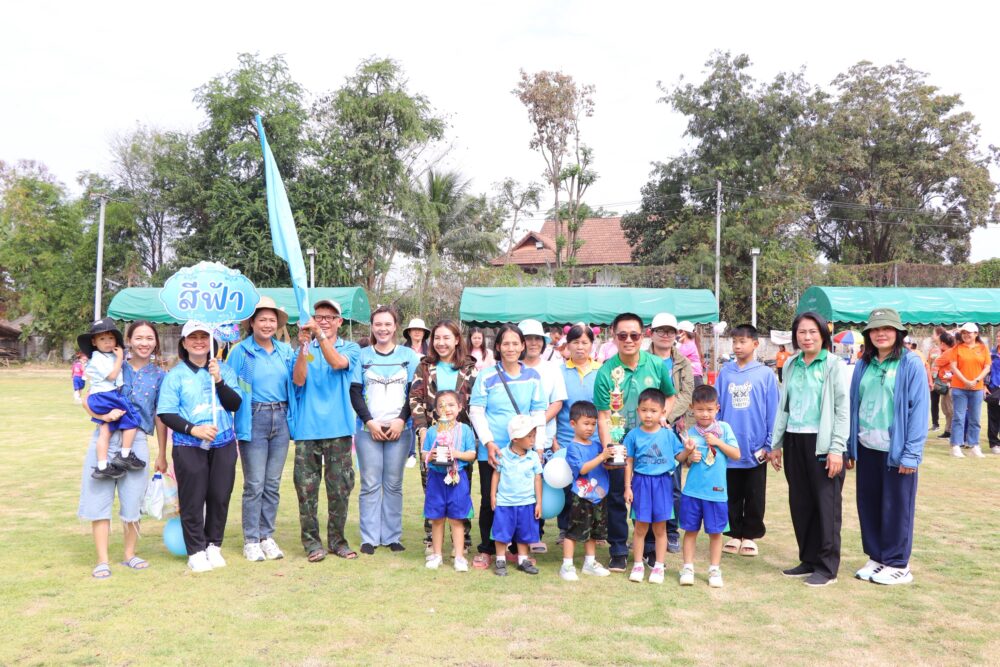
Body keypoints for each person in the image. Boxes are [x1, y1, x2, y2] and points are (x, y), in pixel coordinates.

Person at [847, 308, 929, 586]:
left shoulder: (910, 363)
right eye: (875, 329)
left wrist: (911, 454)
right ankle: (877, 557)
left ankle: (898, 563)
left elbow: (918, 410)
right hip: (867, 445)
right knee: (869, 504)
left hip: (896, 450)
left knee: (896, 507)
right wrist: (850, 446)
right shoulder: (864, 363)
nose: (881, 333)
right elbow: (854, 404)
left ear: (898, 333)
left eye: (887, 328)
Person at [78, 321, 167, 578]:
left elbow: (160, 415)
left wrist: (162, 453)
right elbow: (87, 398)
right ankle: (102, 560)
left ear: (156, 342)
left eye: (149, 338)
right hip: (106, 437)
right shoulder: (113, 364)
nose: (144, 343)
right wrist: (102, 417)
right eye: (138, 337)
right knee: (99, 498)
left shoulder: (160, 375)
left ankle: (130, 554)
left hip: (136, 440)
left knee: (133, 500)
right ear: (128, 340)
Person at [770, 311, 850, 587]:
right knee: (801, 503)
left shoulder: (833, 365)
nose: (807, 337)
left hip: (823, 442)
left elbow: (842, 409)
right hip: (794, 440)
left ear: (823, 335)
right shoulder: (791, 364)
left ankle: (827, 568)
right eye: (801, 332)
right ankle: (808, 558)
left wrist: (837, 449)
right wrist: (776, 443)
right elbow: (784, 406)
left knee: (826, 506)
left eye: (813, 332)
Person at [156, 320, 243, 572]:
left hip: (223, 443)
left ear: (211, 341)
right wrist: (193, 429)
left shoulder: (223, 370)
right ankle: (195, 550)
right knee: (193, 499)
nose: (198, 342)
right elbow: (166, 413)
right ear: (184, 343)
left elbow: (234, 404)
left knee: (219, 496)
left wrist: (219, 380)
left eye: (204, 337)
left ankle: (213, 545)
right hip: (189, 445)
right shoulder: (175, 375)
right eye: (192, 337)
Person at [593, 312, 677, 573]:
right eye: (622, 335)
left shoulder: (656, 364)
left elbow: (670, 396)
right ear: (614, 336)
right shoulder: (605, 371)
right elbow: (603, 415)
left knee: (650, 497)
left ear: (643, 336)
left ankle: (650, 549)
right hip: (620, 443)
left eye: (634, 335)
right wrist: (608, 449)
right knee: (618, 497)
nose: (628, 340)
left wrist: (662, 417)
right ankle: (618, 550)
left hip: (650, 443)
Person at [468, 323, 546, 569]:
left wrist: (538, 447)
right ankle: (488, 549)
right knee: (490, 500)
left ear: (522, 346)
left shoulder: (533, 377)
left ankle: (515, 551)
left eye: (515, 343)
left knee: (522, 500)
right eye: (506, 344)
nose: (511, 348)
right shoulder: (486, 376)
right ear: (498, 347)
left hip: (524, 452)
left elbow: (538, 413)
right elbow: (476, 411)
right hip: (493, 451)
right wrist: (489, 442)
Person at [225, 296, 295, 562]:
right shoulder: (241, 352)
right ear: (252, 323)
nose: (267, 324)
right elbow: (228, 387)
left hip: (281, 417)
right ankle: (251, 540)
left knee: (272, 483)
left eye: (272, 320)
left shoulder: (285, 351)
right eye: (262, 319)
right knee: (254, 483)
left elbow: (296, 381)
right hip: (253, 416)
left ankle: (267, 536)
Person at [292, 299, 361, 562]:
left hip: (338, 429)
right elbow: (299, 380)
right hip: (307, 430)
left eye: (329, 317)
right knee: (306, 491)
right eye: (319, 316)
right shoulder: (305, 347)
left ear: (339, 322)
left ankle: (337, 541)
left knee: (340, 490)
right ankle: (312, 543)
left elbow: (337, 363)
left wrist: (319, 335)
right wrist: (303, 347)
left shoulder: (350, 348)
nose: (323, 321)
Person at [351, 305, 421, 554]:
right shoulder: (362, 356)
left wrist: (401, 421)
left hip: (399, 430)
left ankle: (392, 536)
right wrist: (369, 422)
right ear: (372, 327)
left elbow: (415, 392)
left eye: (387, 324)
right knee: (370, 484)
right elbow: (355, 392)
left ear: (395, 327)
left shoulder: (408, 356)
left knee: (393, 484)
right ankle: (369, 538)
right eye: (378, 324)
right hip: (367, 430)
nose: (383, 329)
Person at [410, 320, 478, 548]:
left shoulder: (469, 368)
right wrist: (422, 430)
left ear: (457, 339)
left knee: (461, 487)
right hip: (432, 437)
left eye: (446, 337)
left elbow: (477, 403)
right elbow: (415, 399)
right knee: (432, 487)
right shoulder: (424, 367)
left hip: (461, 438)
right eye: (437, 338)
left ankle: (462, 539)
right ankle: (432, 538)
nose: (441, 343)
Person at [715, 324, 779, 558]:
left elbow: (773, 411)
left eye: (742, 341)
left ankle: (750, 535)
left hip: (756, 447)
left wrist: (770, 444)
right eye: (734, 342)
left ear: (755, 344)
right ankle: (734, 533)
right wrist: (716, 438)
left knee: (754, 494)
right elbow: (716, 408)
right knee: (731, 493)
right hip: (729, 446)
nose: (737, 346)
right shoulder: (725, 373)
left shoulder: (765, 375)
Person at [675, 384, 740, 588]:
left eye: (710, 409)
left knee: (715, 533)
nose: (705, 414)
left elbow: (736, 454)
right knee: (690, 531)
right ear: (692, 408)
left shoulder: (724, 429)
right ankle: (688, 567)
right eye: (700, 409)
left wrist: (718, 442)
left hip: (716, 493)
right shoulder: (689, 433)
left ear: (717, 408)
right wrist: (689, 455)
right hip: (693, 492)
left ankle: (714, 569)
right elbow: (681, 459)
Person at [647, 311, 694, 556]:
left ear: (676, 334)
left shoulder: (683, 363)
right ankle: (645, 533)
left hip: (672, 429)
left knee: (673, 483)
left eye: (670, 331)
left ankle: (672, 531)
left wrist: (666, 417)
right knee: (644, 481)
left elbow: (686, 394)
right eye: (660, 331)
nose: (665, 335)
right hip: (645, 429)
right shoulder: (642, 359)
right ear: (651, 333)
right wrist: (652, 418)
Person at [624, 388, 681, 585]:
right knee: (640, 527)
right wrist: (627, 487)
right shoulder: (633, 435)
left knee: (660, 528)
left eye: (653, 411)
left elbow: (680, 456)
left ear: (663, 412)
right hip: (641, 483)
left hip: (663, 483)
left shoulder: (669, 435)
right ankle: (638, 564)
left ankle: (658, 566)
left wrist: (689, 450)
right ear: (638, 410)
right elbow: (628, 462)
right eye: (644, 410)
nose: (648, 415)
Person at [518, 318, 565, 552]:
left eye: (538, 339)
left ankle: (536, 535)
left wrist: (536, 424)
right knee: (517, 488)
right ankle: (516, 538)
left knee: (538, 488)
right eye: (528, 338)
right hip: (515, 439)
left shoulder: (551, 368)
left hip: (542, 439)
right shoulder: (512, 367)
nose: (533, 343)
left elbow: (557, 402)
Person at [554, 324, 603, 544]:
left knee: (595, 483)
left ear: (592, 344)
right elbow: (555, 406)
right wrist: (553, 439)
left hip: (595, 441)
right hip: (566, 440)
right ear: (568, 345)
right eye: (575, 342)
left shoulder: (602, 371)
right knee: (568, 489)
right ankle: (565, 529)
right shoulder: (559, 372)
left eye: (585, 342)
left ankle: (595, 531)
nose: (580, 347)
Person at [77, 317, 143, 479]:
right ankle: (125, 455)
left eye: (111, 338)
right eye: (102, 339)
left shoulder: (108, 356)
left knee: (105, 431)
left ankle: (102, 466)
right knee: (133, 420)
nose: (107, 342)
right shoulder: (98, 358)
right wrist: (120, 357)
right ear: (94, 342)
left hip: (104, 395)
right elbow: (113, 376)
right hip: (106, 395)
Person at [421, 391, 477, 571]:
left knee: (457, 519)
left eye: (451, 405)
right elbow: (424, 453)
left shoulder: (465, 430)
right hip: (436, 479)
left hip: (457, 478)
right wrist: (431, 455)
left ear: (460, 407)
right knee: (437, 519)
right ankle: (437, 555)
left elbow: (471, 454)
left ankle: (459, 557)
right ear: (436, 411)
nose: (447, 409)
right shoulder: (432, 431)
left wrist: (456, 454)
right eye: (441, 406)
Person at [560, 400, 612, 581]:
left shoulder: (597, 445)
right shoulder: (572, 448)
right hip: (581, 497)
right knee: (574, 531)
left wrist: (615, 459)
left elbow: (604, 466)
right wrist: (602, 456)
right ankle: (567, 565)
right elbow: (582, 469)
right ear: (573, 424)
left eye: (593, 424)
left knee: (594, 532)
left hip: (599, 496)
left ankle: (590, 563)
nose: (590, 428)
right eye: (586, 423)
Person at [490, 415, 543, 577]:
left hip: (527, 502)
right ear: (515, 438)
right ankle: (500, 560)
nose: (533, 440)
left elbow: (537, 478)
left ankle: (523, 560)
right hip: (505, 503)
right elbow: (496, 475)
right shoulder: (502, 454)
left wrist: (539, 502)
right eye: (529, 436)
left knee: (524, 533)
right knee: (501, 532)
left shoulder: (533, 456)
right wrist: (493, 495)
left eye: (534, 436)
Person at [948, 322, 991, 458]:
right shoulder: (957, 348)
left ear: (976, 334)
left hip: (977, 388)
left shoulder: (983, 348)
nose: (966, 335)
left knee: (975, 418)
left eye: (969, 333)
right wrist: (965, 381)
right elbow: (953, 367)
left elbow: (987, 367)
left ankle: (974, 445)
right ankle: (956, 445)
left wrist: (976, 380)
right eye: (964, 333)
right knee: (959, 417)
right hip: (959, 388)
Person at [934, 332, 956, 441]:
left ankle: (952, 432)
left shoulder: (948, 352)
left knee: (950, 409)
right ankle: (948, 431)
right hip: (946, 384)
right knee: (946, 409)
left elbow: (937, 362)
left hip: (950, 384)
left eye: (939, 342)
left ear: (943, 343)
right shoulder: (948, 351)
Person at [677, 321, 704, 385]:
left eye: (677, 332)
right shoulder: (689, 343)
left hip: (694, 376)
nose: (676, 334)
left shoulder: (689, 345)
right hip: (692, 376)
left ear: (683, 332)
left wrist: (678, 342)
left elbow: (676, 356)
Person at [987, 338, 1000, 455]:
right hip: (994, 389)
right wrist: (985, 385)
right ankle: (994, 443)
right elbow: (986, 370)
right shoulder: (991, 354)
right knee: (993, 417)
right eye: (998, 336)